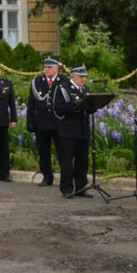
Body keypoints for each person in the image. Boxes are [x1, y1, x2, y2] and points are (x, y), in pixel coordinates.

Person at [52, 65, 96, 198]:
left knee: (82, 161)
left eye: (85, 77)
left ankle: (81, 187)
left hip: (82, 130)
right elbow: (58, 108)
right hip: (68, 131)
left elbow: (89, 109)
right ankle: (67, 188)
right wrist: (75, 104)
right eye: (81, 77)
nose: (83, 79)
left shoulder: (85, 89)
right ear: (72, 76)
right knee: (67, 161)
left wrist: (93, 105)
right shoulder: (62, 89)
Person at [27, 57, 62, 187]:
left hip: (59, 123)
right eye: (45, 67)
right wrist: (30, 121)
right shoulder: (37, 82)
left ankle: (66, 177)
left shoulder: (63, 81)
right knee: (43, 152)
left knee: (62, 151)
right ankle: (47, 176)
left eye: (50, 67)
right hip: (41, 123)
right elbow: (31, 103)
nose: (47, 70)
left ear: (57, 68)